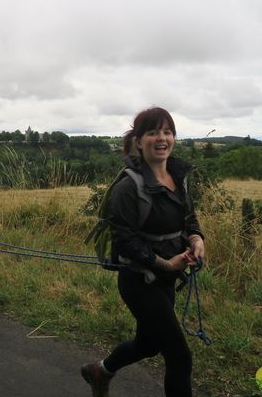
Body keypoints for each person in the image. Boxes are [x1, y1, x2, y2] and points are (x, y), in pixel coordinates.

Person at [81, 107, 205, 397]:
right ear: (139, 141)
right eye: (153, 132)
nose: (162, 138)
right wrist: (164, 263)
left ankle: (100, 370)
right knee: (180, 357)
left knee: (149, 345)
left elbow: (189, 220)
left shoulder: (179, 176)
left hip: (166, 278)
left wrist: (197, 240)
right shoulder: (128, 187)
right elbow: (125, 240)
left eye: (167, 131)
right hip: (139, 280)